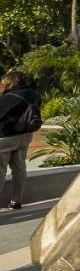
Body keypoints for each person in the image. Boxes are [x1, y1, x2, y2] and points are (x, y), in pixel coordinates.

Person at [0, 71, 41, 211]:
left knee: (1, 170)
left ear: (10, 82)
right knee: (19, 168)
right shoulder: (33, 95)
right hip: (25, 135)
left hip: (4, 138)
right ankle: (16, 201)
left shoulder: (7, 98)